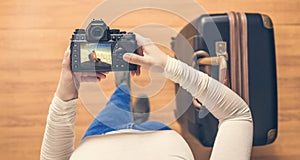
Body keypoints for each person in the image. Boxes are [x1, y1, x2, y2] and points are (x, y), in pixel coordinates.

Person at [40, 34, 253, 160]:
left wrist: (67, 91)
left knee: (117, 103)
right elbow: (237, 115)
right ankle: (138, 114)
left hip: (101, 134)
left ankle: (124, 88)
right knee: (127, 111)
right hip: (157, 133)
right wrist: (170, 66)